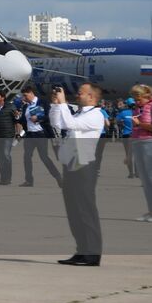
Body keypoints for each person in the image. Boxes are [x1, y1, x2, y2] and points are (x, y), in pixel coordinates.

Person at [50, 82, 107, 266]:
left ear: (91, 97)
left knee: (85, 208)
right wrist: (56, 105)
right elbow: (57, 123)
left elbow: (69, 123)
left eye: (81, 93)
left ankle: (92, 253)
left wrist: (63, 102)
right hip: (71, 163)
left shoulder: (96, 115)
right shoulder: (78, 112)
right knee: (73, 209)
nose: (77, 95)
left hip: (85, 165)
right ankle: (81, 250)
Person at [127, 84, 152, 222]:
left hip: (150, 144)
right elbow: (133, 132)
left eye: (138, 98)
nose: (136, 101)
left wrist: (140, 124)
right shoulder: (137, 109)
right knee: (145, 180)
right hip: (137, 143)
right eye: (134, 98)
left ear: (146, 95)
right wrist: (128, 154)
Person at [17, 86, 60, 188]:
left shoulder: (42, 102)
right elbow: (23, 120)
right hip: (29, 135)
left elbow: (48, 116)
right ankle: (29, 180)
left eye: (25, 95)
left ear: (31, 93)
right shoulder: (25, 106)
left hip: (41, 134)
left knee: (44, 157)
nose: (24, 97)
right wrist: (18, 117)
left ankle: (58, 177)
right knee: (26, 157)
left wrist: (38, 117)